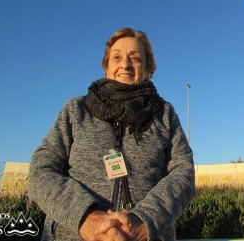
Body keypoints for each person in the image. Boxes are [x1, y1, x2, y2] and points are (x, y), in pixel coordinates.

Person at [28, 27, 195, 241]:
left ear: (147, 70)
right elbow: (41, 170)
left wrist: (145, 221)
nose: (125, 64)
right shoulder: (75, 110)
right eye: (117, 57)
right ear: (107, 67)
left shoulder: (164, 114)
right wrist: (86, 219)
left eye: (134, 58)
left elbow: (184, 173)